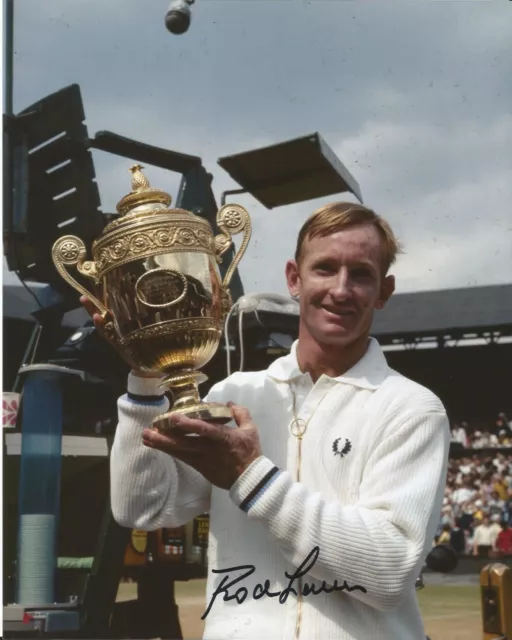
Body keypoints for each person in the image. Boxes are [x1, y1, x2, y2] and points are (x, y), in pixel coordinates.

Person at [82, 202, 450, 640]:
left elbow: (389, 573)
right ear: (294, 278)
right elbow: (142, 507)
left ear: (384, 291)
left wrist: (250, 476)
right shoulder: (234, 395)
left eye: (362, 274)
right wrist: (143, 375)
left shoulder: (410, 408)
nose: (341, 289)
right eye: (325, 268)